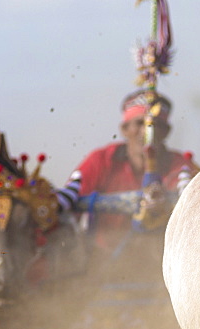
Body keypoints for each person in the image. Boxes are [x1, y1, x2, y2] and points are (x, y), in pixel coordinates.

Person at [69, 89, 190, 245]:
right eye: (140, 123)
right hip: (101, 262)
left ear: (166, 131)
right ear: (124, 129)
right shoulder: (101, 161)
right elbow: (67, 208)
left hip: (163, 260)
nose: (147, 132)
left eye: (156, 125)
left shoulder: (181, 167)